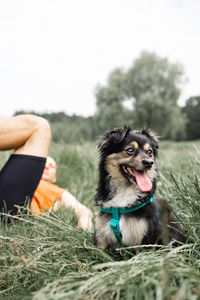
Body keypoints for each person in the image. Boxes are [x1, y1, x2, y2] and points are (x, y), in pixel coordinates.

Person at [0, 114, 51, 215]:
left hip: (9, 210)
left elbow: (77, 206)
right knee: (40, 127)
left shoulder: (51, 189)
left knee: (40, 127)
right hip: (9, 211)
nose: (48, 166)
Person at [31, 156, 93, 231]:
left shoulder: (51, 189)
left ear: (54, 178)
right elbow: (83, 211)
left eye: (51, 166)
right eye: (43, 163)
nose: (47, 166)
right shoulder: (39, 184)